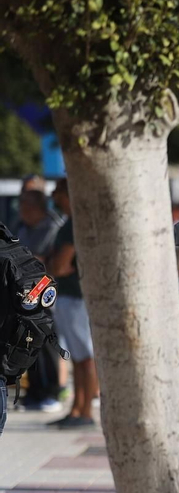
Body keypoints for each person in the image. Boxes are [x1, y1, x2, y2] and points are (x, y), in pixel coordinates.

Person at [43, 180, 98, 428]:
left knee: (85, 357)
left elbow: (61, 265)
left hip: (76, 297)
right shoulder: (69, 222)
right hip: (70, 296)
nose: (54, 196)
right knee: (77, 357)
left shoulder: (76, 223)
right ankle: (77, 408)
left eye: (58, 191)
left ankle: (85, 411)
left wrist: (49, 264)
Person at [14, 189, 62, 413]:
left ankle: (51, 392)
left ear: (37, 208)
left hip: (45, 291)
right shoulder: (23, 226)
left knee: (46, 345)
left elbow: (41, 260)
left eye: (26, 208)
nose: (22, 212)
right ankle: (34, 392)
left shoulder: (51, 226)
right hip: (25, 293)